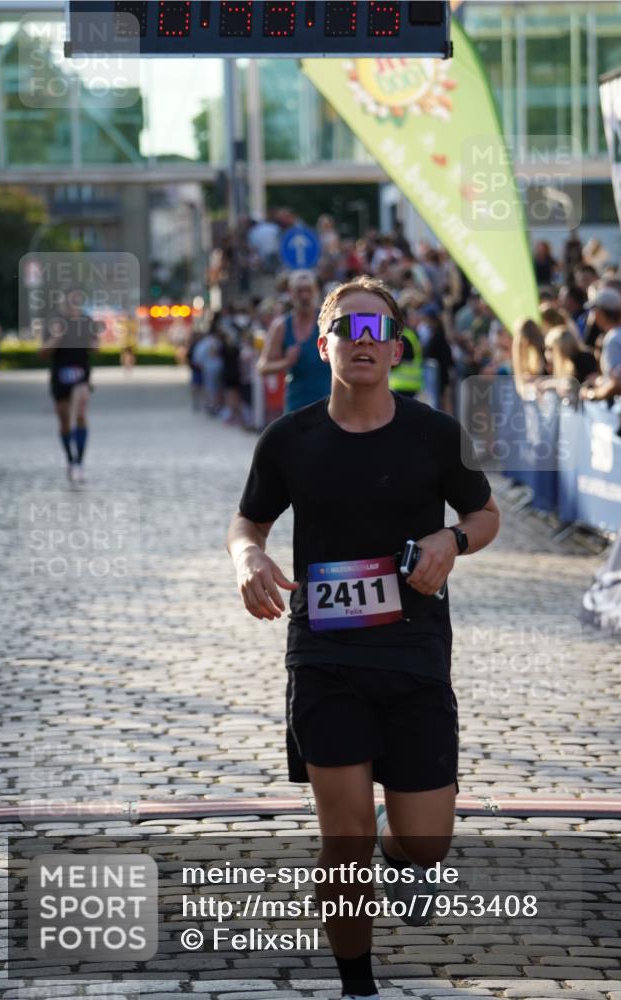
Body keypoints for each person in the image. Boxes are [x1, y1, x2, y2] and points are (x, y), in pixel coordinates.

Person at [227, 275, 500, 1000]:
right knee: (341, 842)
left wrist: (451, 538)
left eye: (377, 330)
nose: (363, 341)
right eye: (348, 328)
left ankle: (398, 844)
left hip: (413, 653)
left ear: (398, 345)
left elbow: (485, 514)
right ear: (325, 346)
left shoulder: (436, 434)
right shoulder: (290, 439)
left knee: (425, 842)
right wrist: (249, 557)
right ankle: (358, 987)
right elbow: (247, 522)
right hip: (325, 654)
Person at [39, 290, 99, 484]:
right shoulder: (53, 322)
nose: (73, 306)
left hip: (81, 375)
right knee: (64, 420)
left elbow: (97, 347)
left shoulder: (87, 321)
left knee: (81, 414)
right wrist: (57, 337)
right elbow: (42, 353)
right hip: (60, 376)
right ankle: (71, 460)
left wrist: (90, 340)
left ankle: (79, 463)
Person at [258, 270, 331, 412]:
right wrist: (286, 362)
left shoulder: (329, 321)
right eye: (299, 291)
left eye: (308, 290)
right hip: (296, 406)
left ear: (316, 291)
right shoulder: (281, 326)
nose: (304, 296)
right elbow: (262, 367)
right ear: (291, 293)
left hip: (329, 407)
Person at [580, 286, 621, 402]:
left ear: (600, 313)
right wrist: (601, 380)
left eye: (594, 311)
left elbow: (618, 385)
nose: (593, 316)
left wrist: (592, 394)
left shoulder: (613, 339)